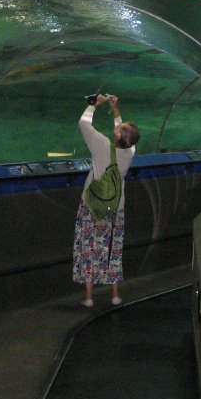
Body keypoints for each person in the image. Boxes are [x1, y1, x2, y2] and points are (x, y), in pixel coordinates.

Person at [73, 94, 139, 308]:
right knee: (113, 248)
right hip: (115, 208)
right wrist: (115, 109)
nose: (118, 125)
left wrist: (95, 104)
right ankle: (115, 295)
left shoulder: (101, 144)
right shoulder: (129, 152)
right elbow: (123, 132)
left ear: (117, 135)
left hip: (92, 206)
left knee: (89, 248)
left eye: (120, 127)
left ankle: (89, 297)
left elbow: (84, 123)